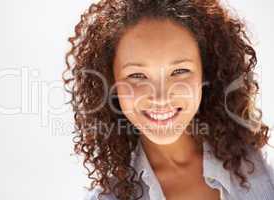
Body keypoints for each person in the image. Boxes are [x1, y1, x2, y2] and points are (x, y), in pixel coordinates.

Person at [63, 0, 274, 199]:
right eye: (137, 76)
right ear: (112, 84)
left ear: (206, 72)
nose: (161, 98)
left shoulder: (264, 167)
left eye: (180, 71)